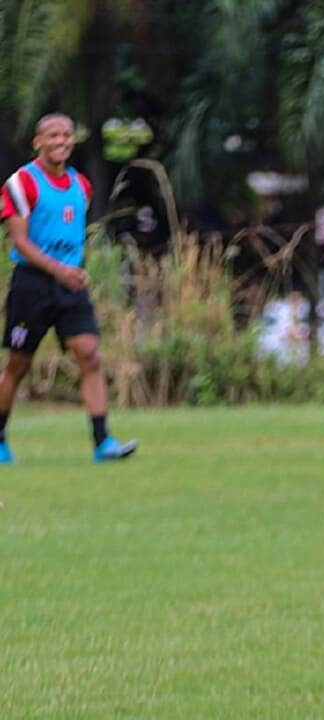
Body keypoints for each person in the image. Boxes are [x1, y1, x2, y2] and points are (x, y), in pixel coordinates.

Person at [0, 114, 137, 464]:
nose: (60, 140)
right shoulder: (21, 184)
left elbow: (72, 235)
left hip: (70, 284)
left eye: (66, 135)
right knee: (18, 364)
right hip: (32, 284)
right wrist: (59, 270)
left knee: (90, 354)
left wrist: (74, 270)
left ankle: (102, 441)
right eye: (52, 135)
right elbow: (19, 242)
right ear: (38, 142)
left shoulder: (82, 186)